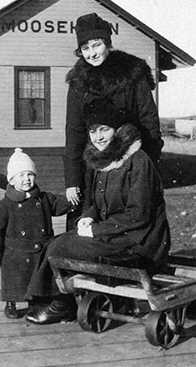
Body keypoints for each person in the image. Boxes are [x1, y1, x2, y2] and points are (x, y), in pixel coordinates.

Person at [25, 98, 171, 324]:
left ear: (118, 131)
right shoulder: (101, 162)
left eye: (104, 129)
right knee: (54, 242)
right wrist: (88, 217)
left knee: (61, 246)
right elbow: (96, 202)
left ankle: (61, 305)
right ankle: (47, 300)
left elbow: (139, 214)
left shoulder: (138, 161)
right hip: (115, 233)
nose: (98, 137)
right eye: (93, 131)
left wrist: (96, 230)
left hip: (142, 241)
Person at [63, 12, 164, 230]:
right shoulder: (78, 82)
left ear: (108, 43)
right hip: (92, 165)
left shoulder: (132, 73)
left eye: (96, 45)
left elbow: (149, 120)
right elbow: (74, 132)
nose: (92, 54)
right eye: (85, 49)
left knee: (129, 220)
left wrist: (146, 165)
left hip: (128, 164)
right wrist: (72, 180)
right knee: (85, 224)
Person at [0, 148, 77, 319]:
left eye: (30, 174)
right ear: (11, 180)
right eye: (21, 175)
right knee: (15, 280)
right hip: (16, 252)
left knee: (37, 278)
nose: (27, 179)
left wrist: (71, 199)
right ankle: (11, 303)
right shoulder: (3, 206)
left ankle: (36, 302)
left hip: (41, 248)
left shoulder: (43, 199)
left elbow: (57, 206)